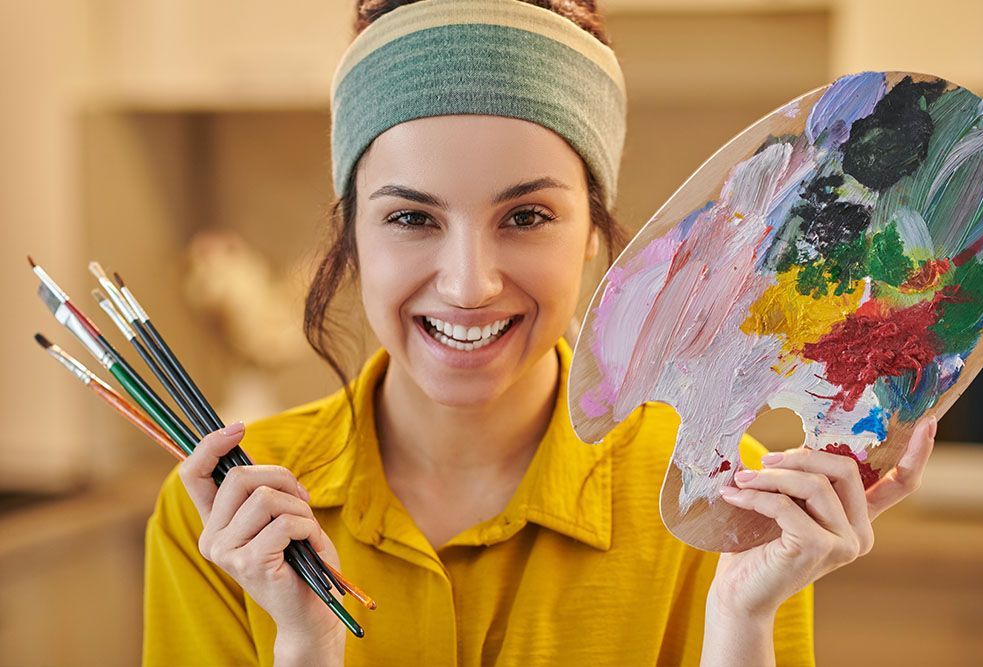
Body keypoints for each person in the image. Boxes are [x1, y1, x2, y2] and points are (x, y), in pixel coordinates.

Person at [142, 1, 936, 665]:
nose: (468, 282)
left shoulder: (724, 500)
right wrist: (306, 643)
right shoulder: (226, 515)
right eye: (411, 217)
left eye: (526, 216)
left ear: (595, 232)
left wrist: (739, 622)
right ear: (350, 234)